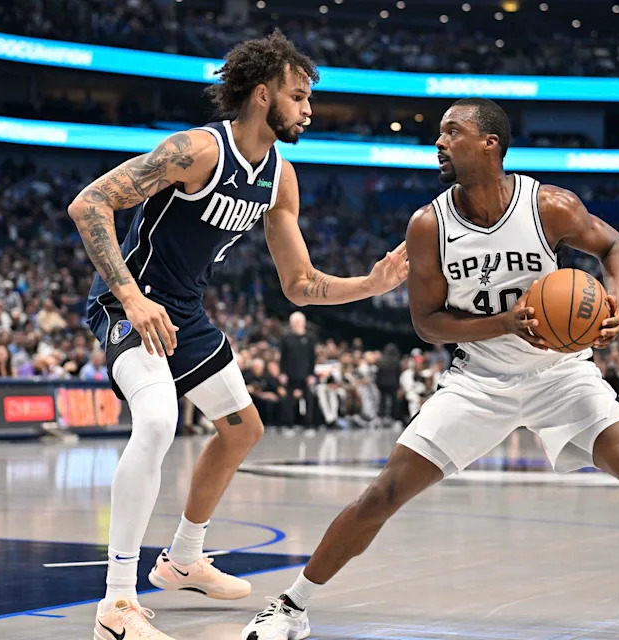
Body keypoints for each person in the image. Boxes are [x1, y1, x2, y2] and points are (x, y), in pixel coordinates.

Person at [242, 99, 619, 640]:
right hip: (478, 381)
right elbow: (427, 324)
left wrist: (614, 299)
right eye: (440, 133)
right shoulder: (428, 225)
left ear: (490, 144)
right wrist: (504, 324)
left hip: (562, 376)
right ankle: (291, 607)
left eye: (452, 132)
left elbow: (616, 248)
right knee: (384, 493)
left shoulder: (549, 206)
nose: (438, 142)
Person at [69, 31, 408, 640]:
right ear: (262, 95)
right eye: (299, 96)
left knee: (242, 428)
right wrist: (132, 298)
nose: (309, 110)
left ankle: (182, 559)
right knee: (157, 422)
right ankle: (117, 602)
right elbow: (90, 204)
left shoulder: (280, 177)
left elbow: (299, 284)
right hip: (128, 303)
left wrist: (371, 284)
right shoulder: (197, 149)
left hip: (184, 313)